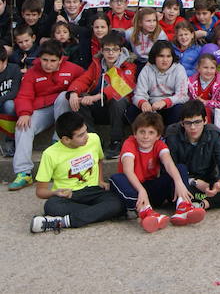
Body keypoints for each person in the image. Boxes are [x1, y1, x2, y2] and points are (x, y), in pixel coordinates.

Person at [108, 111, 205, 232]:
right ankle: (147, 213)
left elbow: (169, 164)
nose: (146, 136)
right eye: (142, 132)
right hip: (134, 189)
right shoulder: (129, 143)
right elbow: (128, 170)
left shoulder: (159, 144)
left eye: (151, 132)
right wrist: (141, 190)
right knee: (116, 178)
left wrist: (179, 183)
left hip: (151, 190)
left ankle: (182, 207)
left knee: (180, 168)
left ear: (158, 136)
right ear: (135, 133)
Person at [30, 112, 124, 233]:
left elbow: (99, 160)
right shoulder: (50, 154)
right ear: (66, 139)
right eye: (80, 135)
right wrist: (55, 193)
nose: (86, 136)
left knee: (117, 203)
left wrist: (100, 180)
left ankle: (61, 222)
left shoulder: (94, 138)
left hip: (93, 191)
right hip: (68, 196)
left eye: (86, 131)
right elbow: (40, 192)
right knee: (51, 206)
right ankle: (98, 213)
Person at [9, 41, 84, 191]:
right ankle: (24, 172)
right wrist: (24, 113)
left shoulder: (72, 69)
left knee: (64, 96)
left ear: (60, 59)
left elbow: (86, 80)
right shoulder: (32, 73)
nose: (48, 65)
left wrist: (75, 90)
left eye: (52, 61)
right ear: (39, 59)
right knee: (23, 127)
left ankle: (58, 140)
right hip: (41, 110)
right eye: (45, 60)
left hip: (63, 109)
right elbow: (24, 95)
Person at [61, 32, 136, 159]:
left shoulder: (128, 65)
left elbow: (120, 87)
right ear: (101, 50)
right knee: (79, 101)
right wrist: (73, 92)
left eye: (115, 50)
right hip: (99, 105)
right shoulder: (97, 64)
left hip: (119, 108)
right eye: (107, 50)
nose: (111, 53)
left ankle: (116, 141)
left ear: (121, 51)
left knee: (118, 100)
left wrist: (95, 97)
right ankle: (93, 139)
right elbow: (84, 79)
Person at [164, 99, 220, 210]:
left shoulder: (213, 134)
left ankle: (200, 204)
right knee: (174, 188)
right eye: (188, 123)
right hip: (184, 181)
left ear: (205, 120)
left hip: (206, 180)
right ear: (182, 123)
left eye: (197, 122)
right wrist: (194, 182)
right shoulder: (173, 135)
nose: (193, 127)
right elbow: (170, 168)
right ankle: (195, 204)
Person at [129, 41, 189, 126]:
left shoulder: (179, 69)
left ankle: (169, 135)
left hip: (171, 105)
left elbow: (182, 95)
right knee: (133, 109)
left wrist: (165, 102)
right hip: (151, 105)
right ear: (154, 57)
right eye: (161, 56)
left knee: (179, 109)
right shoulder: (147, 69)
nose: (165, 60)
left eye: (168, 56)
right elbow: (138, 94)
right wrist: (143, 103)